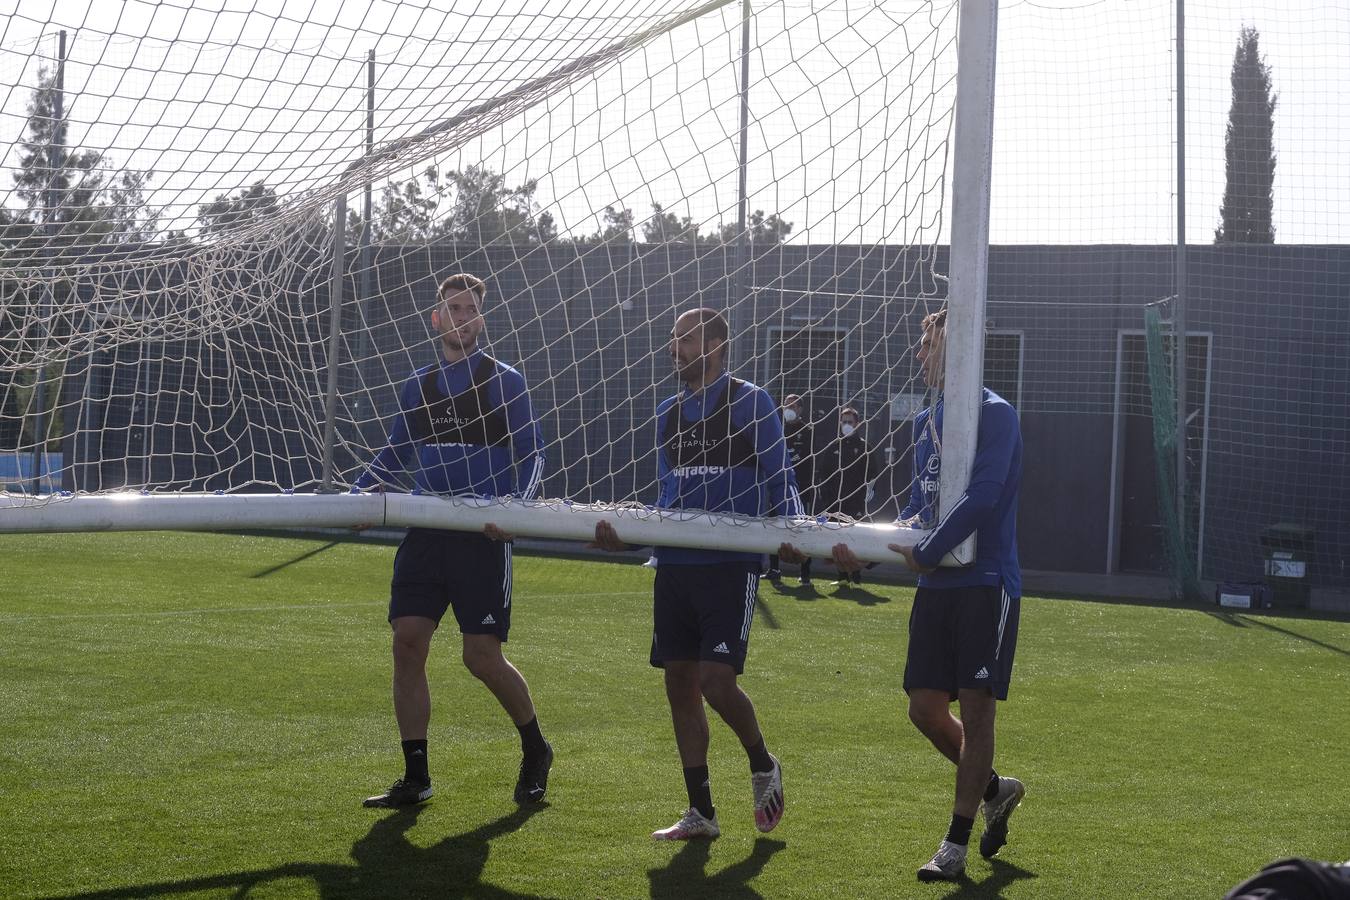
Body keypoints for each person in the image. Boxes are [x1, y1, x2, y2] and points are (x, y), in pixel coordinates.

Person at [827, 307, 1025, 882]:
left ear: (958, 345)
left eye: (928, 342)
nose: (919, 354)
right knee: (924, 710)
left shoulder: (996, 415)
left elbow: (985, 495)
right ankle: (994, 789)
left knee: (978, 711)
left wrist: (932, 550)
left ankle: (956, 843)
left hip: (986, 582)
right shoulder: (927, 421)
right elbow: (920, 506)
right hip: (936, 584)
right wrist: (865, 544)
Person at [590, 307, 802, 841]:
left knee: (716, 680)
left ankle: (761, 763)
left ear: (716, 345)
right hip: (676, 566)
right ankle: (701, 812)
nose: (675, 348)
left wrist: (795, 538)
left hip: (730, 567)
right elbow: (669, 495)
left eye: (685, 339)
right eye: (673, 338)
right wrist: (632, 536)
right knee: (679, 684)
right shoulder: (667, 412)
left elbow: (781, 478)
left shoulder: (751, 402)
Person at [352, 273, 553, 810]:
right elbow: (395, 453)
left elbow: (533, 454)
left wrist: (514, 510)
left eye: (471, 310)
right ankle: (416, 779)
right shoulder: (418, 384)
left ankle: (536, 748)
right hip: (426, 534)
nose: (462, 317)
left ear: (480, 321)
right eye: (453, 308)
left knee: (481, 658)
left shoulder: (504, 381)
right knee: (407, 642)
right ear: (436, 317)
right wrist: (359, 496)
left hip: (481, 540)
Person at [818, 405, 876, 587]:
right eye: (844, 422)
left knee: (855, 537)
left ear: (857, 424)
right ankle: (842, 575)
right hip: (835, 503)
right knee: (838, 538)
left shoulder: (865, 447)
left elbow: (873, 474)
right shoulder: (833, 446)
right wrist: (825, 496)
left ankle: (857, 575)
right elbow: (823, 472)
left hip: (856, 503)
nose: (846, 425)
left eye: (850, 422)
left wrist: (868, 494)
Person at [766, 393, 817, 586]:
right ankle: (774, 568)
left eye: (794, 406)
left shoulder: (807, 431)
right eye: (787, 405)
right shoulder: (777, 428)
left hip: (800, 488)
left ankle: (805, 573)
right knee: (774, 525)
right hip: (778, 487)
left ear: (800, 410)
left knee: (803, 529)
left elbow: (806, 460)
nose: (790, 409)